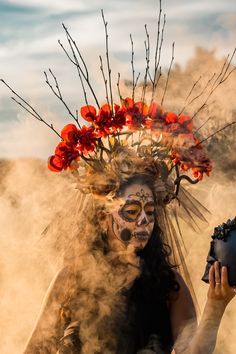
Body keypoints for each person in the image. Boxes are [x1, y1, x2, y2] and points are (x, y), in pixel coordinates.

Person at [22, 147, 236, 354]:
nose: (144, 221)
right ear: (103, 218)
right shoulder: (71, 279)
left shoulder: (170, 286)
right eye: (132, 211)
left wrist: (215, 308)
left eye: (150, 212)